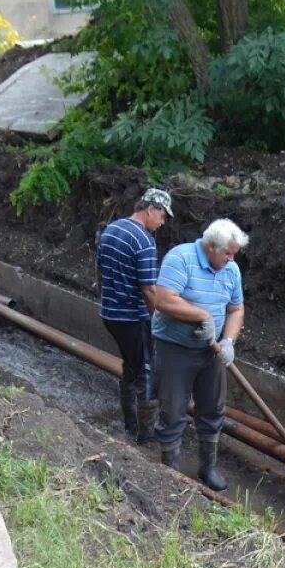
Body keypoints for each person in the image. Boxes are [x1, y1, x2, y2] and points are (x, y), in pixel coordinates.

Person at [151, 218, 248, 491]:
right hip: (175, 349)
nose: (231, 259)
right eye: (227, 253)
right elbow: (164, 299)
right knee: (173, 409)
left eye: (234, 254)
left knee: (213, 408)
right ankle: (169, 471)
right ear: (211, 246)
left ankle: (208, 467)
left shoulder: (231, 270)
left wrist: (228, 340)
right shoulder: (180, 259)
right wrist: (201, 315)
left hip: (212, 351)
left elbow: (236, 309)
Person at [96, 187, 173, 443]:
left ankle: (129, 423)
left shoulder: (112, 229)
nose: (161, 224)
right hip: (132, 317)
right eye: (162, 217)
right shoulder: (143, 241)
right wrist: (158, 322)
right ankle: (146, 436)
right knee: (146, 371)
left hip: (110, 314)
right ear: (150, 209)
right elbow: (149, 289)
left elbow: (99, 272)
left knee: (130, 365)